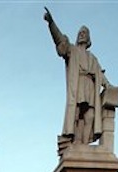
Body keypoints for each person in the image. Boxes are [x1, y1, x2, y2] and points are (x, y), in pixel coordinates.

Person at [44, 6, 112, 145]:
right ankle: (76, 142)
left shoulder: (92, 57)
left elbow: (100, 74)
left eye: (84, 33)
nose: (81, 34)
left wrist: (108, 85)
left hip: (90, 86)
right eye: (80, 32)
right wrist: (51, 23)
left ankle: (84, 144)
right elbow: (59, 40)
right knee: (76, 113)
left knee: (90, 116)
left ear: (88, 38)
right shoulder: (72, 50)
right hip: (78, 84)